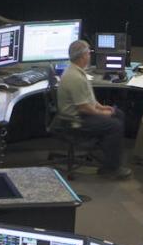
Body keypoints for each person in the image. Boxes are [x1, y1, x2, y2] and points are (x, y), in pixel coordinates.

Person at [56, 39, 131, 179]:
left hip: (83, 114)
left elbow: (88, 98)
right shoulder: (75, 77)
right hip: (75, 120)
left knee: (118, 114)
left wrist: (102, 107)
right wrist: (103, 114)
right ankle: (111, 168)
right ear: (82, 56)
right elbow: (83, 108)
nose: (90, 56)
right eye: (88, 53)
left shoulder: (77, 71)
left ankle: (111, 157)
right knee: (114, 125)